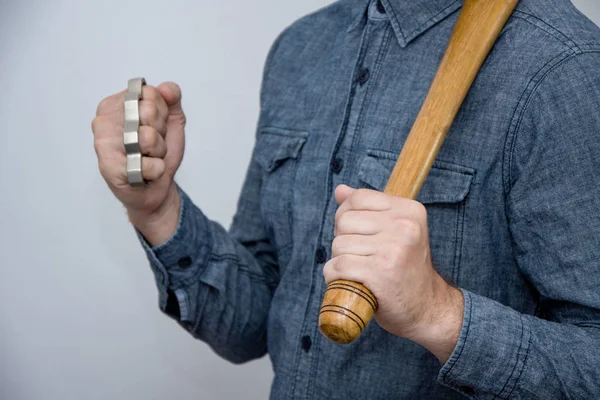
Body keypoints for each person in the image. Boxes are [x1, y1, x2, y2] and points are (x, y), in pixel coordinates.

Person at [92, 0, 600, 398]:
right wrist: (157, 208)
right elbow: (254, 326)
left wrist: (440, 314)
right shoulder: (302, 47)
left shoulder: (563, 68)